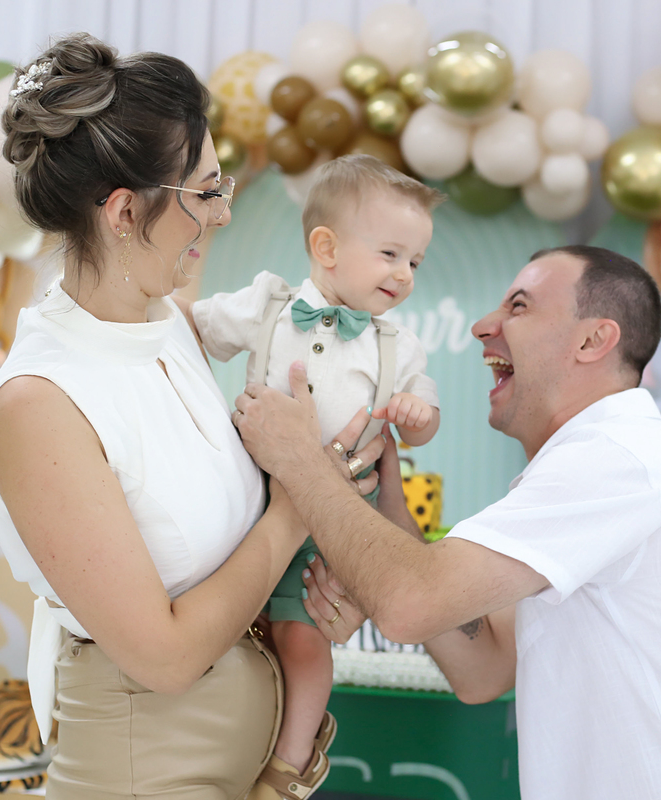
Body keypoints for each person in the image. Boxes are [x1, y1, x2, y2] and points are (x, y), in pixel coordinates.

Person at [235, 245, 661, 799]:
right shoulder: (601, 466)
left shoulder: (617, 457)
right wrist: (388, 496)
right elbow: (483, 667)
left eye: (519, 307)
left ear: (593, 340)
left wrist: (299, 461)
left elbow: (411, 604)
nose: (483, 326)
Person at [0, 34, 383, 799]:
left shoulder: (169, 324)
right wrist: (298, 505)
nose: (224, 214)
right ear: (125, 211)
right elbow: (163, 658)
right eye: (204, 192)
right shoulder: (41, 402)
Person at [189, 155, 442, 797]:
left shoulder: (397, 347)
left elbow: (422, 419)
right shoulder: (269, 306)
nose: (405, 274)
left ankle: (289, 760)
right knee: (226, 630)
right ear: (326, 248)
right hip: (246, 507)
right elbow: (192, 329)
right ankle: (224, 746)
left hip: (332, 524)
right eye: (391, 254)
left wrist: (415, 416)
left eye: (416, 262)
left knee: (304, 639)